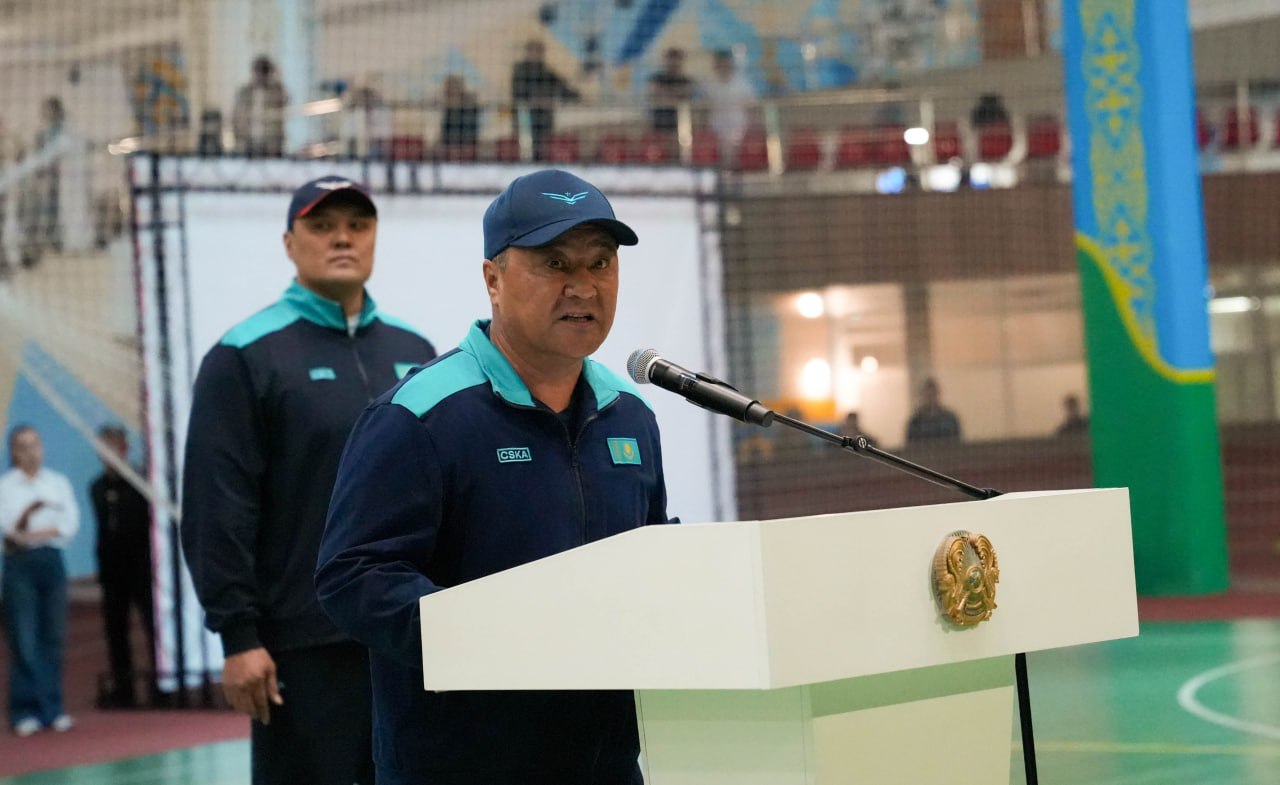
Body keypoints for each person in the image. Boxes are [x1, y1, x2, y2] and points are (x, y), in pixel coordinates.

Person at [316, 168, 672, 785]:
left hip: (607, 764)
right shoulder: (420, 416)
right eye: (555, 264)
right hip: (461, 764)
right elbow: (355, 575)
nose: (583, 287)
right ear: (493, 279)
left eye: (600, 263)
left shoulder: (629, 414)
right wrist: (491, 637)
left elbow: (647, 557)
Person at [180, 175, 436, 784]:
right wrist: (238, 635)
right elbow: (219, 505)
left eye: (357, 225)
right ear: (289, 244)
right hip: (303, 643)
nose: (342, 238)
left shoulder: (416, 351)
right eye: (322, 226)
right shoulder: (244, 355)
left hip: (408, 633)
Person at [1, 424, 79, 737]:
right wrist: (31, 530)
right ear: (14, 452)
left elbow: (68, 524)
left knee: (54, 636)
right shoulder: (6, 487)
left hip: (52, 561)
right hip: (19, 564)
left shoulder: (57, 483)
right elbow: (9, 531)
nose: (31, 452)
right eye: (23, 446)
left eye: (35, 444)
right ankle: (23, 710)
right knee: (24, 637)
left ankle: (52, 708)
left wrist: (37, 532)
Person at [89, 424, 155, 709]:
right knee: (115, 629)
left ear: (124, 449)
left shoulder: (141, 482)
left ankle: (160, 684)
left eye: (113, 447)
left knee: (153, 626)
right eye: (103, 448)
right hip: (112, 569)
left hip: (141, 566)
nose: (108, 454)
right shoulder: (97, 487)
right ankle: (123, 687)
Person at [510, 39, 580, 160]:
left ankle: (540, 161)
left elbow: (562, 88)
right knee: (526, 147)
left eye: (539, 51)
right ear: (528, 52)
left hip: (543, 116)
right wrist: (536, 99)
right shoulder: (520, 71)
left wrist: (576, 96)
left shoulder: (546, 71)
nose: (536, 55)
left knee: (543, 144)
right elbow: (519, 93)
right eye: (533, 51)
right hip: (525, 115)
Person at [702, 49, 755, 164]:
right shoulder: (708, 83)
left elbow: (751, 104)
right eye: (720, 64)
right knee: (721, 149)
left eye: (726, 63)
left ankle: (734, 166)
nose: (723, 67)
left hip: (738, 122)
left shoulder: (742, 82)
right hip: (717, 123)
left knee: (735, 148)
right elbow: (704, 105)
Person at [232, 55, 288, 156]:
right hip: (248, 142)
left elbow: (285, 101)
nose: (260, 76)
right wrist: (238, 139)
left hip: (272, 144)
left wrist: (277, 75)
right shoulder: (244, 92)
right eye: (257, 72)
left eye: (264, 72)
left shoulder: (276, 90)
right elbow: (236, 116)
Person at [647, 47, 694, 136]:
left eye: (676, 60)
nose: (673, 63)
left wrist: (665, 94)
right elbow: (654, 92)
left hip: (680, 123)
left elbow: (687, 92)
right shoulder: (656, 78)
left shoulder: (686, 80)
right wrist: (676, 94)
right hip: (659, 121)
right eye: (671, 60)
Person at [905, 377, 961, 443]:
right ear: (923, 395)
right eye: (928, 394)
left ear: (938, 394)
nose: (931, 397)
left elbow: (957, 442)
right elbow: (911, 445)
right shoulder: (916, 422)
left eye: (933, 394)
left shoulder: (949, 419)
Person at [439, 73, 481, 160]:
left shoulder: (470, 107)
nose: (453, 91)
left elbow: (471, 132)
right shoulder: (447, 110)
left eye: (455, 87)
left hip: (467, 145)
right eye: (451, 88)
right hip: (449, 146)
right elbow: (444, 134)